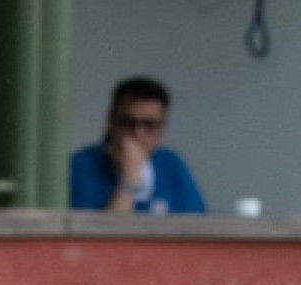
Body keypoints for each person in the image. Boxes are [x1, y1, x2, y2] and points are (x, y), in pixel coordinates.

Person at [69, 76, 206, 215]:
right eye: (128, 122)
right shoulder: (81, 165)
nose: (138, 133)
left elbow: (198, 227)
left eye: (149, 124)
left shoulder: (171, 164)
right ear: (110, 120)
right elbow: (99, 235)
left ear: (163, 127)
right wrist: (129, 178)